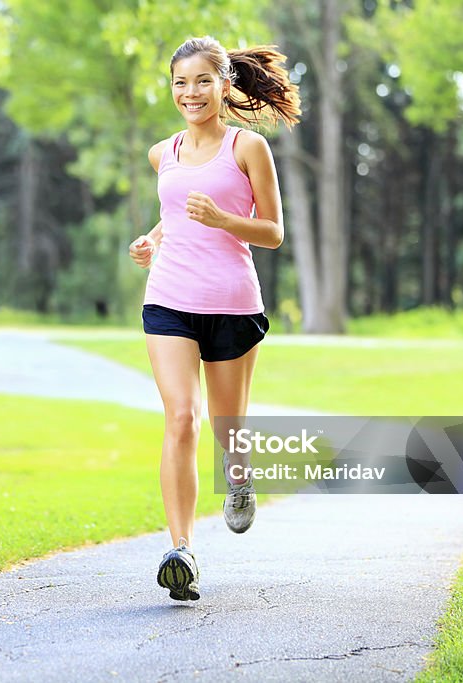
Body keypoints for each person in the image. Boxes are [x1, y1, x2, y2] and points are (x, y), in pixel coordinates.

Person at [128, 35, 300, 601]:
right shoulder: (164, 153)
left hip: (232, 304)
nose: (190, 92)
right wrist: (150, 240)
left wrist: (227, 219)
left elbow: (272, 232)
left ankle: (240, 472)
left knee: (227, 430)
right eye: (180, 82)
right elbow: (174, 215)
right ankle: (181, 550)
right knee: (181, 417)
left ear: (225, 86)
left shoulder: (248, 148)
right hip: (169, 298)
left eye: (202, 81)